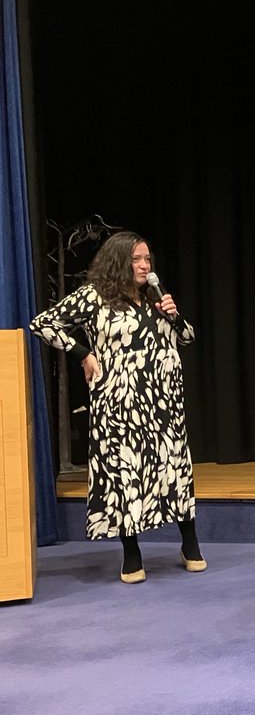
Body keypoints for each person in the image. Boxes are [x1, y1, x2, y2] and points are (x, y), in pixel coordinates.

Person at [29, 230, 204, 583]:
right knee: (125, 473)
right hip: (118, 402)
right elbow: (42, 324)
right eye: (136, 259)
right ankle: (131, 553)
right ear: (118, 263)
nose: (143, 265)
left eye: (147, 259)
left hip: (164, 399)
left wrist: (173, 314)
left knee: (174, 468)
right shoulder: (95, 297)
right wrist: (83, 353)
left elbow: (187, 337)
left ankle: (189, 543)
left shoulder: (154, 297)